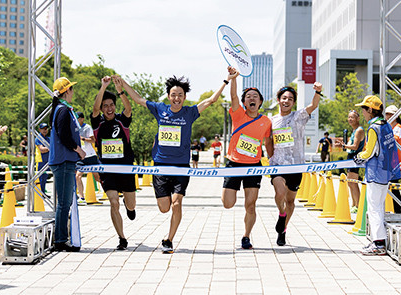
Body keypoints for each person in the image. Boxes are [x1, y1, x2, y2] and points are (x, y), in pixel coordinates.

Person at [120, 68, 234, 253]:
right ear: (168, 96)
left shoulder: (190, 112)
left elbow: (210, 100)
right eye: (173, 95)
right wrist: (123, 83)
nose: (176, 98)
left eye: (180, 95)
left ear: (184, 96)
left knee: (177, 203)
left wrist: (226, 80)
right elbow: (138, 99)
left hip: (181, 167)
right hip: (160, 167)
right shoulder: (160, 109)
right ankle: (164, 228)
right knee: (164, 208)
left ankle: (169, 240)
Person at [221, 67, 273, 250]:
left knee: (250, 205)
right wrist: (233, 79)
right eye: (248, 96)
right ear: (243, 102)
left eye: (255, 97)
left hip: (254, 166)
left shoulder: (266, 121)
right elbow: (233, 96)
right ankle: (244, 232)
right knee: (228, 203)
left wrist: (273, 162)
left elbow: (268, 142)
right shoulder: (238, 114)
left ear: (260, 102)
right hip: (234, 164)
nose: (252, 98)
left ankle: (246, 236)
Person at [268, 83, 323, 246]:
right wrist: (271, 159)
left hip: (296, 165)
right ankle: (281, 212)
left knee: (290, 201)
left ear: (293, 103)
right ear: (278, 100)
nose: (286, 101)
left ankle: (283, 230)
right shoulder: (271, 121)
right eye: (284, 98)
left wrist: (317, 91)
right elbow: (268, 142)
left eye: (290, 99)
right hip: (278, 164)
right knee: (279, 193)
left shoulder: (298, 116)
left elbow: (313, 105)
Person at [90, 75, 137, 251]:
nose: (109, 108)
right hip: (107, 170)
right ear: (102, 108)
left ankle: (129, 206)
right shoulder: (97, 123)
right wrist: (103, 87)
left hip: (125, 168)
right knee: (113, 202)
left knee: (130, 205)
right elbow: (94, 110)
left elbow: (129, 107)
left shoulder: (121, 120)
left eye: (111, 105)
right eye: (105, 106)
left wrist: (120, 90)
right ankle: (122, 238)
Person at [354, 95, 400, 255]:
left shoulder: (374, 128)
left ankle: (378, 244)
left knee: (374, 208)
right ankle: (378, 241)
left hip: (375, 172)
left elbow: (369, 152)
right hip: (386, 172)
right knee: (379, 206)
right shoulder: (386, 125)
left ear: (370, 110)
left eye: (364, 109)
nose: (363, 113)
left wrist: (358, 157)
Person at [49, 77, 85, 252]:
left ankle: (62, 238)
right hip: (63, 160)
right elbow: (63, 135)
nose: (73, 92)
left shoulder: (62, 109)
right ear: (66, 91)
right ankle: (61, 240)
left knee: (64, 203)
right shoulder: (62, 110)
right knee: (63, 203)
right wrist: (79, 149)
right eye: (71, 89)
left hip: (65, 160)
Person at [336, 110, 365, 213]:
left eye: (352, 117)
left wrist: (343, 146)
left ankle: (358, 205)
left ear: (358, 118)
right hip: (350, 156)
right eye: (349, 117)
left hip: (355, 157)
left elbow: (355, 146)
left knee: (353, 182)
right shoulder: (354, 130)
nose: (350, 119)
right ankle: (354, 204)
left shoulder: (358, 131)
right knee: (350, 182)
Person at [75, 111, 100, 202]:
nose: (76, 120)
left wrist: (83, 139)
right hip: (81, 156)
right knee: (78, 176)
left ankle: (110, 191)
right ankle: (81, 197)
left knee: (97, 177)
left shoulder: (87, 127)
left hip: (90, 155)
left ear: (82, 119)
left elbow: (93, 140)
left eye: (78, 118)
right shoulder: (74, 127)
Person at [385, 105, 401, 214]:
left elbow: (394, 140)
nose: (388, 116)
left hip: (395, 163)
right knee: (390, 187)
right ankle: (393, 209)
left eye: (390, 114)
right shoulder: (390, 128)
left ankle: (398, 211)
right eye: (387, 114)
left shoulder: (398, 127)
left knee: (394, 188)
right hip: (388, 162)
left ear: (395, 116)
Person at [35, 123, 50, 194]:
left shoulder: (48, 138)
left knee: (44, 178)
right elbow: (42, 149)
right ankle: (39, 193)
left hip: (47, 160)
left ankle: (42, 193)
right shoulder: (38, 138)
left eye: (46, 128)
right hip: (40, 160)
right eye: (43, 128)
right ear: (39, 129)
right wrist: (50, 148)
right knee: (40, 178)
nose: (45, 130)